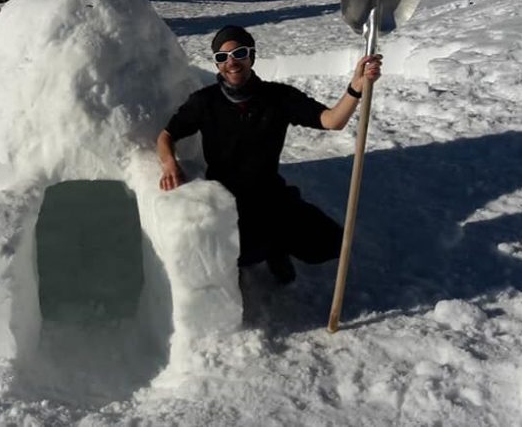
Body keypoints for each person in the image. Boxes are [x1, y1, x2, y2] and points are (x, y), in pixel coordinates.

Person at [156, 25, 382, 285]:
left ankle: (277, 248)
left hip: (270, 194)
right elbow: (166, 136)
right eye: (222, 57)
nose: (231, 62)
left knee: (331, 244)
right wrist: (169, 163)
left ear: (251, 55)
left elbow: (332, 120)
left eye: (239, 53)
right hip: (228, 200)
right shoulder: (204, 102)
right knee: (242, 251)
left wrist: (356, 87)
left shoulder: (278, 97)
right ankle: (253, 255)